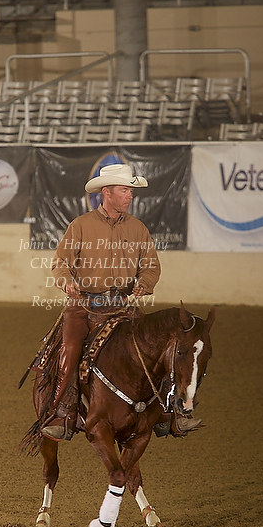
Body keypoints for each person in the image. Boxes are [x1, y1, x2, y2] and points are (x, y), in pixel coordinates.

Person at [41, 163, 201, 441]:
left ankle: (169, 413)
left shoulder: (137, 228)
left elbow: (151, 266)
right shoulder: (81, 226)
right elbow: (61, 263)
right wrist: (67, 281)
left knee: (159, 348)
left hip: (123, 305)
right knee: (70, 349)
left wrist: (144, 283)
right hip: (85, 306)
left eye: (130, 191)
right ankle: (62, 412)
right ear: (107, 192)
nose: (130, 196)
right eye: (125, 190)